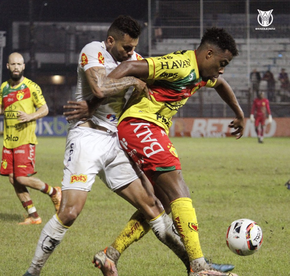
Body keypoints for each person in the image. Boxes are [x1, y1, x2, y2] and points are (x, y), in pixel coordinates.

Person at [24, 15, 226, 276]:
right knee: (70, 212)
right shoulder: (93, 51)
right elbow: (99, 87)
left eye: (133, 48)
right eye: (126, 48)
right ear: (110, 41)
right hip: (87, 136)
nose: (131, 53)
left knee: (154, 206)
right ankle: (33, 271)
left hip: (115, 140)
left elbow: (156, 79)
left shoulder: (132, 60)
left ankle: (196, 267)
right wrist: (132, 80)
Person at [69, 27, 243, 276]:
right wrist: (93, 102)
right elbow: (129, 68)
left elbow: (221, 84)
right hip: (140, 126)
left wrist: (239, 113)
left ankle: (110, 255)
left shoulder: (202, 72)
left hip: (152, 129)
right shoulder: (179, 64)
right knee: (178, 188)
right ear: (208, 54)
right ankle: (198, 267)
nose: (222, 68)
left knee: (161, 202)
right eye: (221, 62)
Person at [0, 52, 62, 225]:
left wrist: (30, 116)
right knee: (12, 179)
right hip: (9, 141)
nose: (16, 67)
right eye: (13, 64)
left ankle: (54, 192)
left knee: (22, 178)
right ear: (8, 66)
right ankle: (33, 216)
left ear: (23, 66)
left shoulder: (31, 87)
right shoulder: (4, 87)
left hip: (25, 140)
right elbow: (1, 108)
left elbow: (44, 109)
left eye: (19, 64)